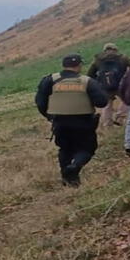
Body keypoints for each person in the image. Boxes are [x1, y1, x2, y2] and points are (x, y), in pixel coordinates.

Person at [36, 54, 108, 187]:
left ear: (63, 65)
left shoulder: (50, 80)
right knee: (87, 149)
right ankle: (74, 166)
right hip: (83, 121)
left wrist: (49, 117)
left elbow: (40, 102)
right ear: (79, 65)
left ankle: (67, 179)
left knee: (65, 149)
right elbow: (102, 102)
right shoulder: (87, 81)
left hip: (60, 122)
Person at [87, 43, 130, 127]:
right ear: (115, 49)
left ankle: (107, 124)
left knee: (107, 105)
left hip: (104, 86)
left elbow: (90, 74)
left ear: (104, 50)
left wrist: (98, 82)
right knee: (127, 100)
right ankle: (120, 117)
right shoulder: (123, 58)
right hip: (120, 84)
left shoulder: (98, 59)